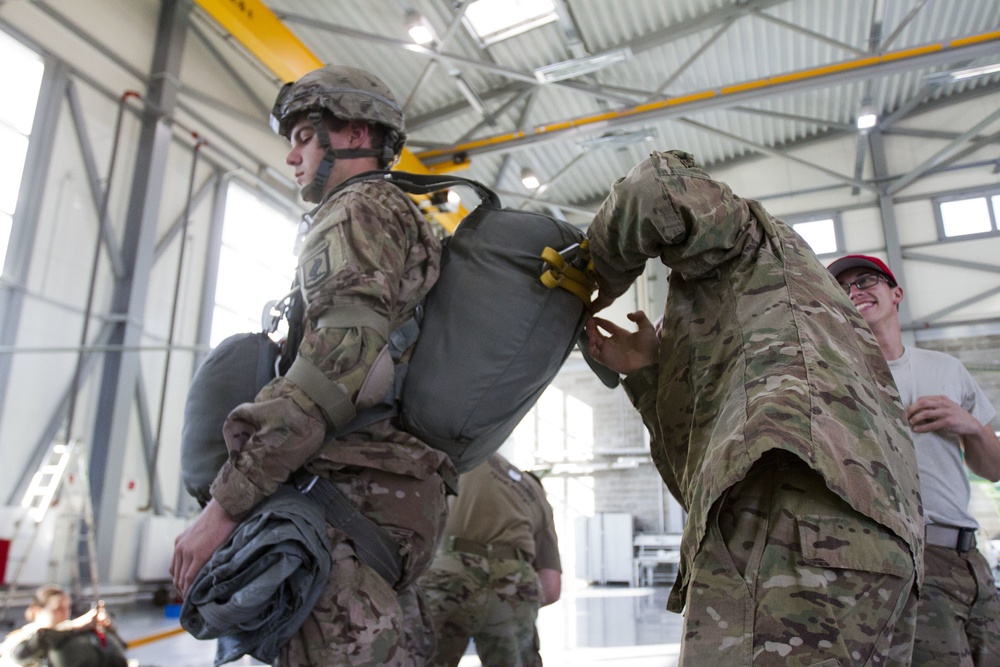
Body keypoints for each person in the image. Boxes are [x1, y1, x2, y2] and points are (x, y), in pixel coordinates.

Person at [583, 150, 924, 666]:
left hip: (797, 529)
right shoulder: (794, 342)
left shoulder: (754, 241)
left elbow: (656, 187)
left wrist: (583, 281)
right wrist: (649, 376)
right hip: (865, 551)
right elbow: (699, 473)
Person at [170, 65, 456, 666]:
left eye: (304, 136)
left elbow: (338, 362)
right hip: (381, 510)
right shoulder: (399, 215)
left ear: (353, 132)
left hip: (346, 513)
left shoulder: (357, 209)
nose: (292, 156)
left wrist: (225, 507)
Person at [828, 253, 1000, 665]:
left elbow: (993, 469)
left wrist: (971, 426)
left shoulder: (947, 369)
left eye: (866, 281)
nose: (855, 292)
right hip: (905, 563)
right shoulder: (835, 379)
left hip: (971, 560)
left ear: (895, 292)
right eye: (843, 288)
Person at [418, 453, 561, 667]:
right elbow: (551, 588)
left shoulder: (459, 462)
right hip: (515, 580)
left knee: (424, 659)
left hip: (452, 569)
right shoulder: (534, 492)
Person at [0, 585, 127, 667]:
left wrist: (107, 629)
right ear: (37, 611)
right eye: (58, 609)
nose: (65, 613)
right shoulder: (21, 636)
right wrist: (75, 628)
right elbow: (21, 654)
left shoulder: (72, 630)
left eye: (68, 608)